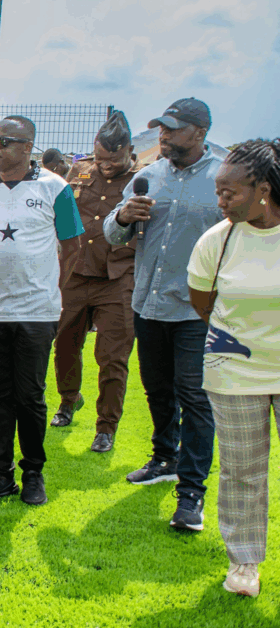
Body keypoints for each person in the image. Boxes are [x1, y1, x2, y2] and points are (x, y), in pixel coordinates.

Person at [104, 97, 223, 531]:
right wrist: (122, 215)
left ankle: (191, 493)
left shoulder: (221, 179)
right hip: (148, 302)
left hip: (196, 309)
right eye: (162, 129)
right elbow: (113, 235)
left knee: (194, 397)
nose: (164, 136)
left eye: (173, 129)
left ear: (201, 132)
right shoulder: (146, 177)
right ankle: (164, 456)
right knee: (156, 389)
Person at [0, 116, 84, 507]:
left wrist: (50, 289)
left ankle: (33, 471)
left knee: (30, 395)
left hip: (37, 312)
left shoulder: (56, 188)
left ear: (27, 147)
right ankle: (0, 475)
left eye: (3, 140)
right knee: (0, 395)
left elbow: (72, 247)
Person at [187, 139, 280, 597]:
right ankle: (244, 563)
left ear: (263, 188)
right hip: (234, 370)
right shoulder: (217, 240)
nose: (220, 202)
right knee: (242, 469)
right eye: (218, 192)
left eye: (230, 193)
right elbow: (202, 301)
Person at [52, 111, 142, 452]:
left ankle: (106, 426)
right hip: (75, 273)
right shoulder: (80, 170)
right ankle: (68, 399)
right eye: (101, 158)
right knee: (64, 345)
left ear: (130, 150)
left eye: (113, 159)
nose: (105, 166)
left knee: (113, 356)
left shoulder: (142, 179)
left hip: (118, 276)